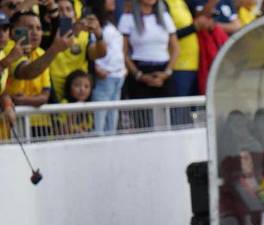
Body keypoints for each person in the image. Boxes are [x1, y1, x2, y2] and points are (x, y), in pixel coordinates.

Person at [48, 0, 107, 102]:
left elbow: (100, 54)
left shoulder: (84, 35)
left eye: (68, 9)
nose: (65, 13)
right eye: (60, 10)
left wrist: (99, 35)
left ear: (75, 16)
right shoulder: (46, 34)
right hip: (55, 89)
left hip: (80, 89)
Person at [119, 0, 179, 100]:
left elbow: (175, 48)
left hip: (163, 68)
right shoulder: (127, 18)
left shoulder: (165, 17)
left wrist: (167, 72)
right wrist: (138, 75)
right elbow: (123, 52)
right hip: (139, 68)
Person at [91, 0, 126, 134]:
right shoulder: (95, 24)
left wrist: (123, 69)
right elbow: (91, 47)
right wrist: (96, 68)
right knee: (99, 122)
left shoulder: (111, 23)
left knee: (112, 120)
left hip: (118, 76)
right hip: (104, 77)